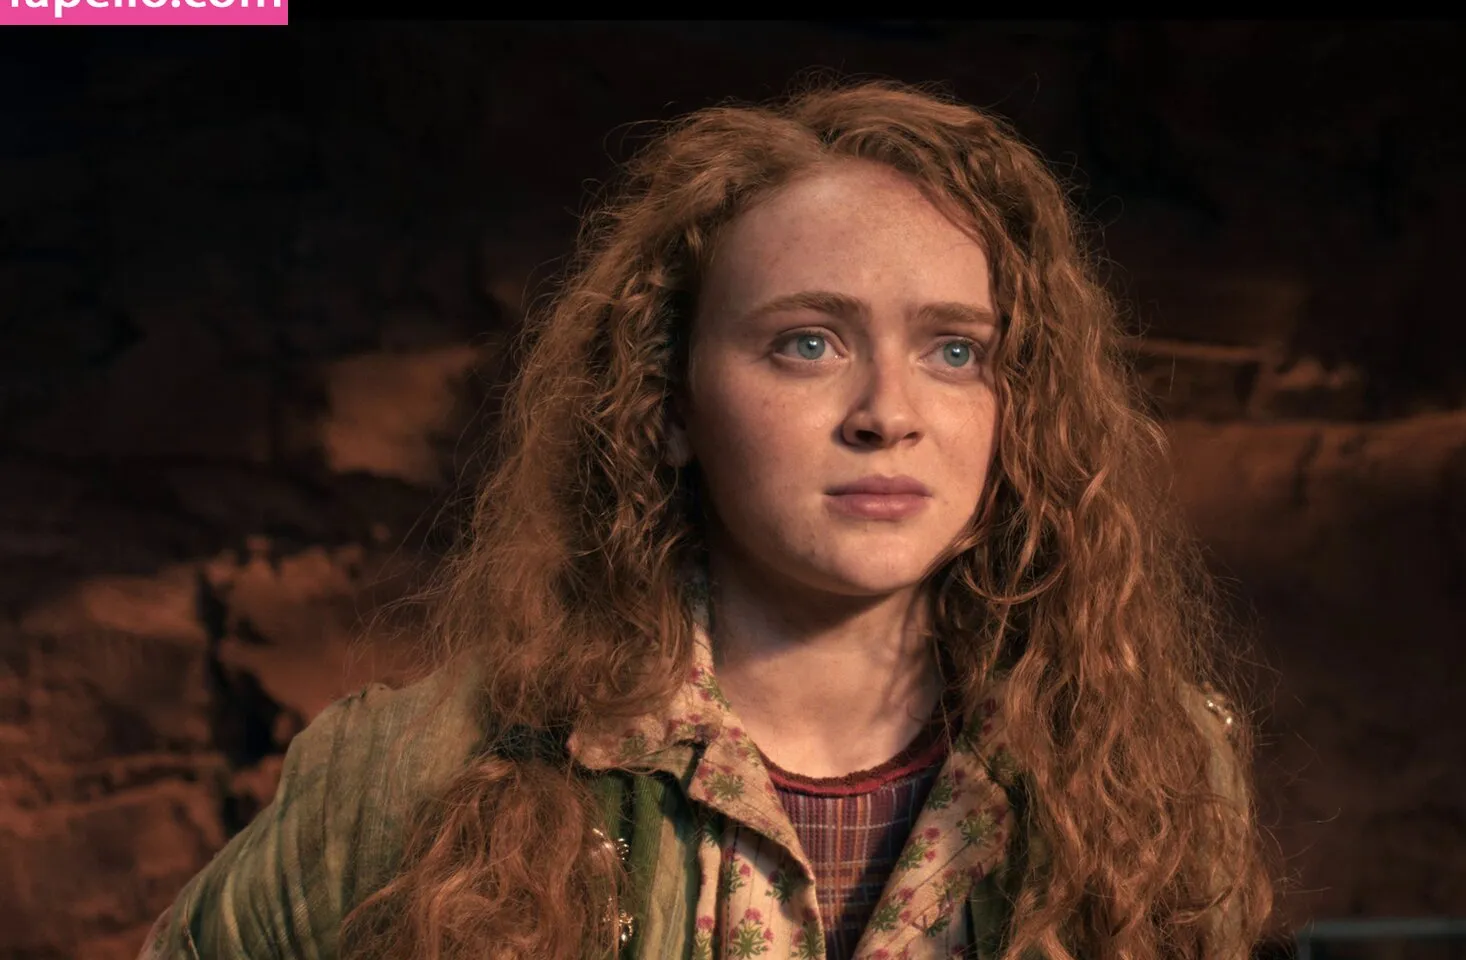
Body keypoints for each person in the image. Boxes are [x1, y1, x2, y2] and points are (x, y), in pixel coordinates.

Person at [139, 79, 1272, 960]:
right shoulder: (426, 774)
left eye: (954, 351)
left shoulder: (1144, 774)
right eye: (807, 343)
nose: (888, 413)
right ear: (670, 405)